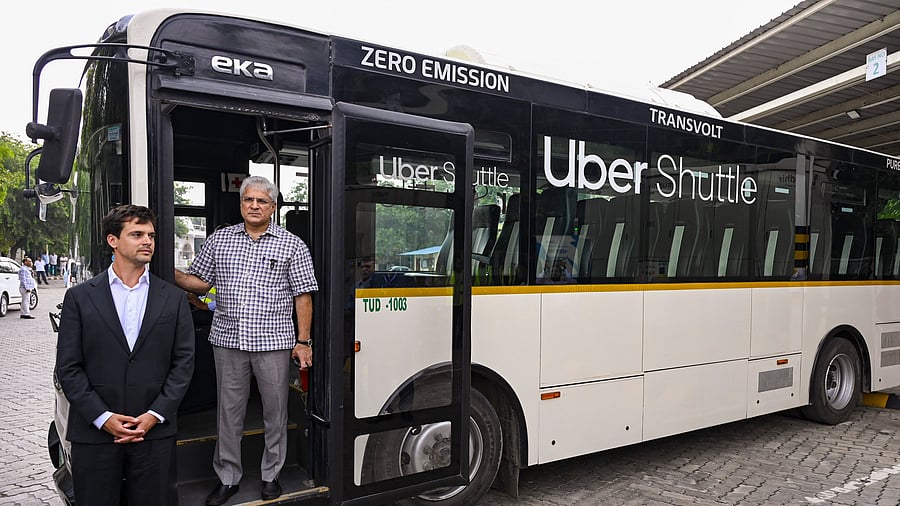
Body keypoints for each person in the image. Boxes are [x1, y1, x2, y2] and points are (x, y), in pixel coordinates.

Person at [174, 176, 318, 505]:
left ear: (273, 207)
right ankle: (228, 476)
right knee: (229, 413)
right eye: (248, 200)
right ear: (241, 205)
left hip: (273, 343)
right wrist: (164, 269)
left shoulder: (292, 245)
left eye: (261, 201)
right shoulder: (219, 241)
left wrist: (303, 341)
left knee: (275, 412)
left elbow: (303, 297)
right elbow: (199, 283)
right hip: (228, 341)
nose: (254, 205)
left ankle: (271, 475)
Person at [55, 205, 195, 506]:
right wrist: (102, 417)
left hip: (154, 434)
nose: (148, 241)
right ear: (113, 241)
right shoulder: (79, 297)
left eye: (151, 235)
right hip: (95, 435)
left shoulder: (172, 297)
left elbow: (183, 363)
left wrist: (155, 415)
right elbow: (68, 368)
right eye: (137, 234)